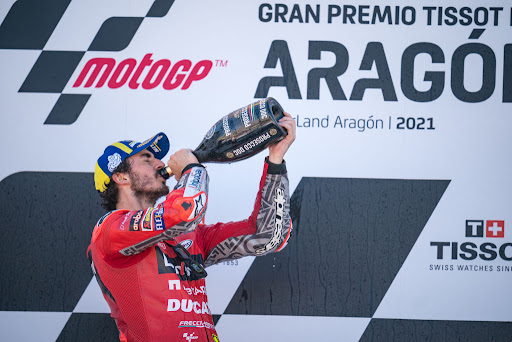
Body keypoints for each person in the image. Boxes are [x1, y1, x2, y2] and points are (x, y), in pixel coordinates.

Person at [87, 112, 296, 342]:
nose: (160, 163)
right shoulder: (108, 232)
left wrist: (275, 162)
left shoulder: (185, 235)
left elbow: (267, 235)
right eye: (147, 159)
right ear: (121, 177)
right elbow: (185, 210)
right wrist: (191, 169)